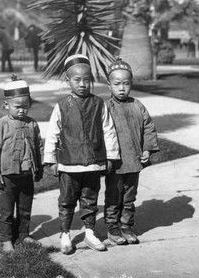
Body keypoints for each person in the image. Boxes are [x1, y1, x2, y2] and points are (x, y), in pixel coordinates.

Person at [44, 54, 120, 254]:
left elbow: (108, 130)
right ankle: (65, 234)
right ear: (68, 80)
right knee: (67, 199)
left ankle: (90, 233)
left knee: (90, 199)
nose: (83, 84)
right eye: (77, 80)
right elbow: (53, 133)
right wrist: (50, 159)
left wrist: (111, 156)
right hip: (69, 163)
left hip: (93, 163)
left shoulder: (98, 103)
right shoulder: (62, 105)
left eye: (87, 80)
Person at [103, 58, 159, 245]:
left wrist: (147, 149)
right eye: (116, 84)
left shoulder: (138, 105)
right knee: (113, 196)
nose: (121, 88)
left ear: (131, 84)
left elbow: (148, 127)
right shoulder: (105, 108)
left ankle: (126, 226)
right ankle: (112, 228)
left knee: (129, 196)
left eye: (126, 84)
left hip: (134, 161)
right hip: (115, 163)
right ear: (108, 85)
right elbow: (99, 133)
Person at [0, 75, 44, 252]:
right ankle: (6, 238)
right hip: (8, 176)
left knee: (25, 207)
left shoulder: (32, 124)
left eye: (25, 106)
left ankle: (24, 234)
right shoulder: (1, 125)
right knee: (6, 210)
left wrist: (40, 167)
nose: (22, 111)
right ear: (6, 105)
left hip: (27, 174)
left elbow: (38, 146)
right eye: (17, 107)